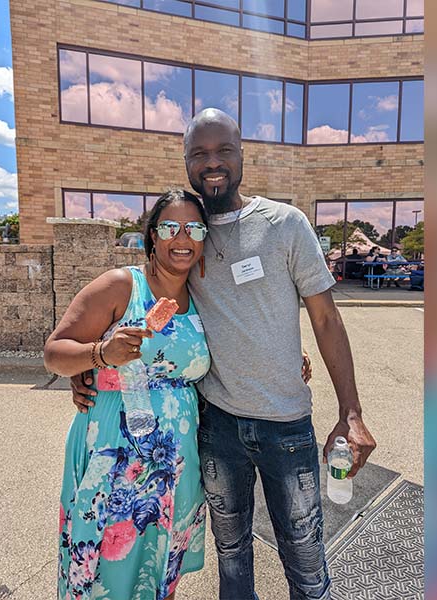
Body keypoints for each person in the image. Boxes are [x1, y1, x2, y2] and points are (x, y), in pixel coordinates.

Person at [73, 109, 376, 600]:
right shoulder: (187, 237)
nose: (211, 163)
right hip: (217, 427)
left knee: (305, 557)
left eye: (222, 151)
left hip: (287, 425)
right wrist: (89, 364)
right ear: (186, 161)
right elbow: (136, 305)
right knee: (231, 560)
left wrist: (351, 412)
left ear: (241, 155)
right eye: (199, 154)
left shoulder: (285, 224)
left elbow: (325, 319)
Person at [45, 190, 212, 600]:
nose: (182, 238)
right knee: (104, 572)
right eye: (171, 227)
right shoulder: (123, 285)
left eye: (194, 228)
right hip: (114, 456)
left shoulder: (206, 298)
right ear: (153, 235)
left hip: (176, 463)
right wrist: (100, 354)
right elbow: (54, 352)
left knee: (157, 574)